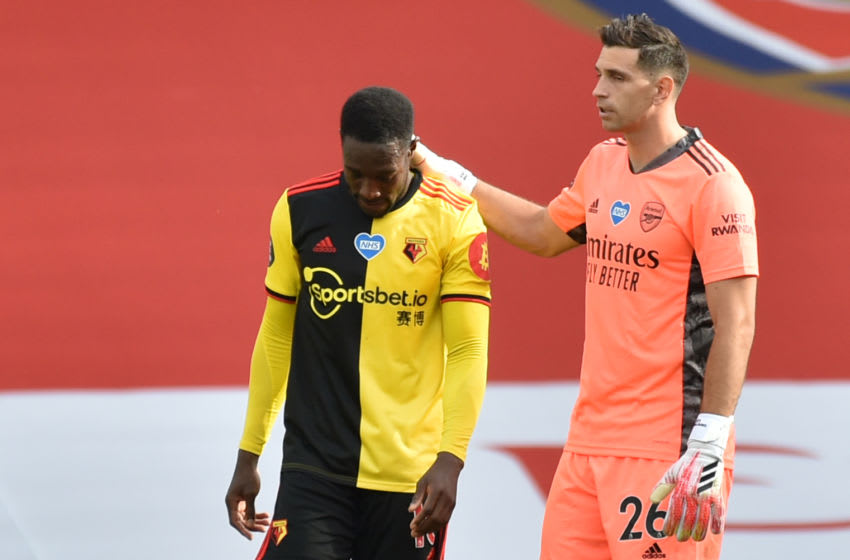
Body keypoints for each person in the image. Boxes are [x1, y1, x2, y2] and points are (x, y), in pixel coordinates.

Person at [413, 13, 758, 560]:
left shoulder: (714, 184)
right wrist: (450, 174)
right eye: (599, 74)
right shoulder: (603, 164)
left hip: (667, 448)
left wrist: (710, 438)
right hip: (588, 442)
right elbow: (540, 232)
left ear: (662, 88)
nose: (598, 90)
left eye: (617, 78)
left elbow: (736, 321)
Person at [224, 86, 492, 559]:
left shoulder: (456, 220)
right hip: (315, 467)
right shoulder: (299, 208)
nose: (370, 190)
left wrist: (451, 460)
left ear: (411, 153)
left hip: (410, 478)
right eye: (355, 174)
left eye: (385, 176)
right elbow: (275, 336)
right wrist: (250, 453)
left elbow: (469, 350)